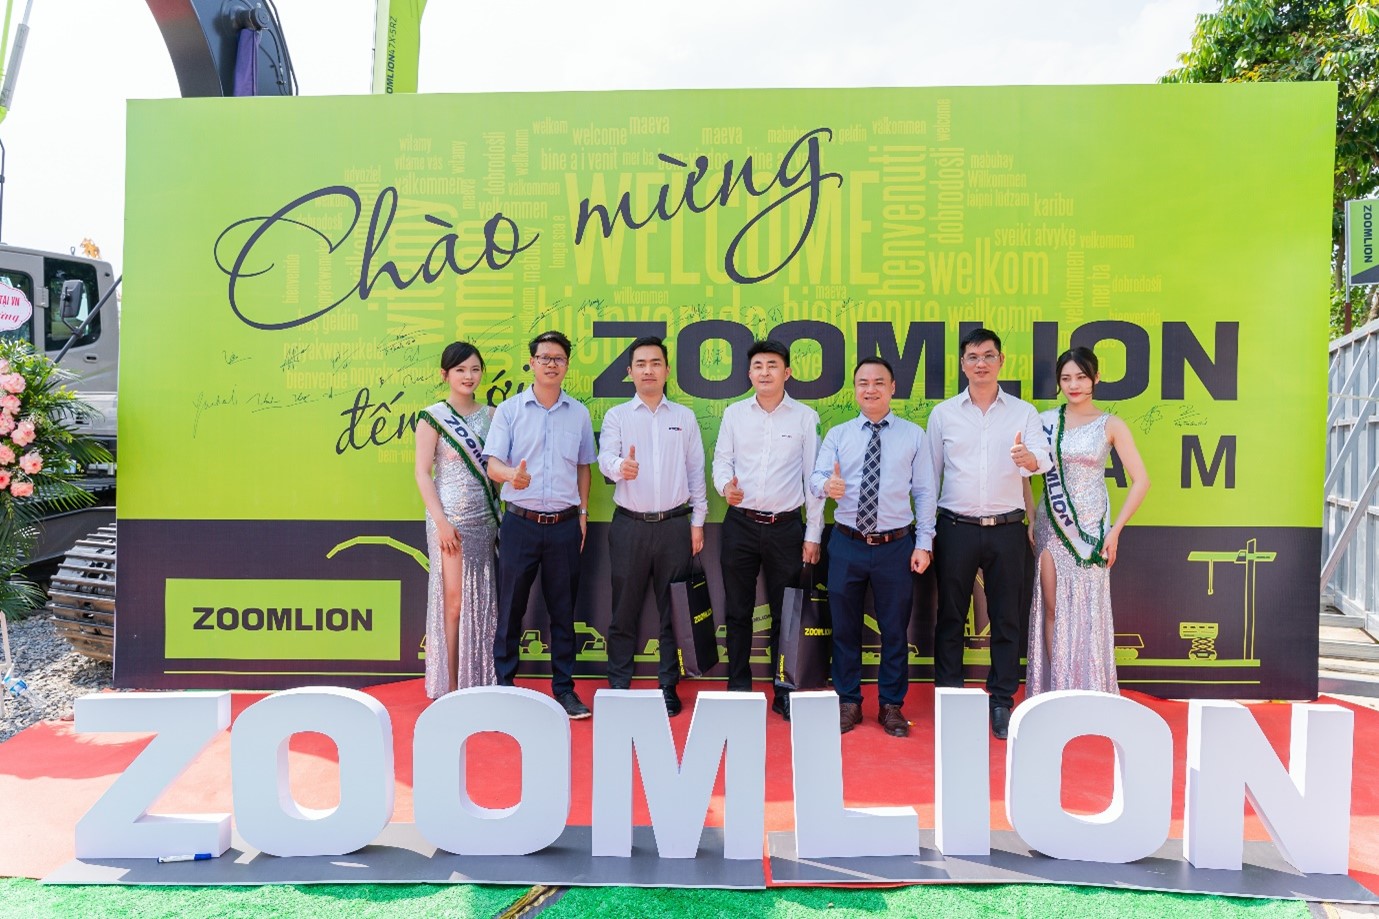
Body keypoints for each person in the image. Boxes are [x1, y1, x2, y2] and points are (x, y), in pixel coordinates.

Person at [927, 328, 1051, 740]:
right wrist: (926, 534)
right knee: (950, 617)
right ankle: (950, 699)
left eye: (988, 356)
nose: (981, 363)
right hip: (955, 528)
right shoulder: (943, 414)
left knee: (1006, 618)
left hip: (1007, 529)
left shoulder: (1023, 412)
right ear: (963, 364)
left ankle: (1001, 700)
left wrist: (1029, 459)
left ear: (1001, 361)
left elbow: (1042, 461)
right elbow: (929, 477)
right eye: (973, 357)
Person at [811, 357, 936, 738]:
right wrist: (826, 486)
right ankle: (848, 701)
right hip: (846, 542)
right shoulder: (839, 435)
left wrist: (924, 543)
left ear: (892, 388)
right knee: (844, 628)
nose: (871, 389)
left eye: (879, 382)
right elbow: (816, 477)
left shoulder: (913, 436)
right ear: (855, 390)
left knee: (894, 630)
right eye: (863, 383)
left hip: (895, 545)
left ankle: (891, 705)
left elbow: (925, 492)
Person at [484, 330, 596, 719]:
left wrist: (583, 513)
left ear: (567, 365)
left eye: (558, 359)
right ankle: (504, 685)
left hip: (565, 525)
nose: (551, 364)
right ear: (531, 362)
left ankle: (564, 689)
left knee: (563, 612)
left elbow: (584, 466)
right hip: (521, 523)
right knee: (511, 608)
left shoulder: (578, 413)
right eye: (544, 358)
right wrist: (511, 475)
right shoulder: (510, 411)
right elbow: (492, 464)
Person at [1026, 347, 1150, 695]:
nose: (1073, 385)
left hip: (1091, 533)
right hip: (1052, 526)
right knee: (1052, 608)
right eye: (1066, 378)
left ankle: (1089, 692)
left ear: (1096, 378)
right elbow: (1025, 471)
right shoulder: (1045, 421)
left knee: (1089, 613)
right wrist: (1030, 515)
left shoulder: (1111, 424)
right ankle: (1057, 692)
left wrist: (1115, 531)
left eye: (1081, 377)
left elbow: (1142, 480)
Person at [711, 339, 824, 721]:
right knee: (738, 610)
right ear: (749, 373)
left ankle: (785, 690)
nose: (765, 372)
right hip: (740, 525)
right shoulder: (734, 415)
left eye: (772, 365)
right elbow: (721, 462)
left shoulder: (805, 417)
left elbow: (814, 478)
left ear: (787, 372)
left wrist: (813, 535)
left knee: (786, 614)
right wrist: (725, 486)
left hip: (785, 528)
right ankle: (738, 686)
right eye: (758, 366)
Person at [598, 336, 708, 716]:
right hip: (629, 525)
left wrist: (698, 521)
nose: (648, 370)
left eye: (655, 363)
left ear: (666, 370)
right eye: (641, 364)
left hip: (674, 526)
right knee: (623, 610)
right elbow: (605, 458)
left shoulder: (683, 417)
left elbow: (696, 471)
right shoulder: (617, 416)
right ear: (630, 372)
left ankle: (667, 685)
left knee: (672, 612)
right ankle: (618, 684)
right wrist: (620, 467)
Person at [414, 341, 501, 699]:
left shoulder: (494, 415)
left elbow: (497, 469)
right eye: (461, 369)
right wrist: (442, 522)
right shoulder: (432, 416)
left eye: (475, 369)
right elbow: (422, 473)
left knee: (482, 598)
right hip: (448, 519)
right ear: (445, 374)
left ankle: (477, 679)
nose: (469, 376)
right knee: (453, 601)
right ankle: (450, 685)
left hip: (485, 518)